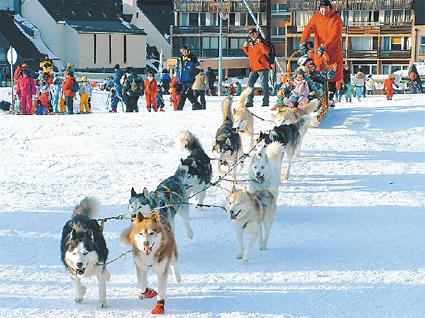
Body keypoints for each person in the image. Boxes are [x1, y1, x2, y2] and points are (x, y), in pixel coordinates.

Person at [299, 0, 343, 107]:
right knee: (318, 70)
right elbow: (308, 28)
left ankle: (330, 97)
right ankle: (318, 95)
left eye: (326, 8)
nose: (323, 10)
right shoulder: (316, 17)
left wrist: (325, 46)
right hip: (319, 51)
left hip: (333, 50)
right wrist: (303, 41)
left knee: (332, 73)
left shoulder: (336, 19)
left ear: (330, 8)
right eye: (322, 8)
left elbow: (335, 35)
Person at [243, 28, 271, 107]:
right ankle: (249, 102)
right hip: (254, 68)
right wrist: (245, 47)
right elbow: (250, 54)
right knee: (249, 84)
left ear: (256, 33)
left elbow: (267, 51)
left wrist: (260, 43)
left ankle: (266, 102)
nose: (251, 36)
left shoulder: (262, 41)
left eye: (252, 34)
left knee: (264, 85)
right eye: (250, 35)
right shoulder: (251, 43)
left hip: (263, 67)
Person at [176, 46, 202, 110]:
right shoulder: (179, 59)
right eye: (182, 51)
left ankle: (179, 109)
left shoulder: (193, 58)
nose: (184, 52)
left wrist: (191, 74)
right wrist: (177, 76)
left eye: (185, 50)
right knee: (190, 95)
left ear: (187, 50)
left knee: (183, 94)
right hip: (181, 80)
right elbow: (177, 68)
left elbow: (198, 68)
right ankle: (197, 106)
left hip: (189, 80)